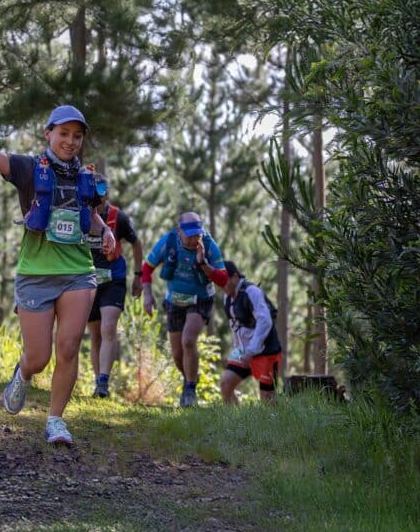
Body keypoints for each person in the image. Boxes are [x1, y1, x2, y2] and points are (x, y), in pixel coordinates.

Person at [0, 83, 116, 446]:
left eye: (77, 136)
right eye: (64, 134)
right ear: (49, 134)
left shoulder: (85, 179)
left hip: (78, 272)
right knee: (39, 357)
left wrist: (105, 229)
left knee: (70, 345)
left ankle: (56, 420)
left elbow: (88, 216)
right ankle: (23, 374)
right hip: (35, 275)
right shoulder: (28, 169)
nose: (71, 141)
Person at [141, 212, 227, 407]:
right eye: (188, 234)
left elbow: (223, 279)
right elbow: (147, 268)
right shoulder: (168, 242)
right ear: (179, 231)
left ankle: (190, 390)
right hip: (174, 300)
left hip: (200, 298)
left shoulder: (209, 245)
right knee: (177, 354)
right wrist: (147, 295)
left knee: (188, 340)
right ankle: (190, 381)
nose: (193, 239)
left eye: (196, 234)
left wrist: (203, 263)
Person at [86, 174, 143, 399]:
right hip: (88, 281)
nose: (98, 202)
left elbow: (136, 243)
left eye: (101, 197)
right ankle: (97, 381)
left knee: (108, 328)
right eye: (94, 198)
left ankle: (103, 383)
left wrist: (139, 275)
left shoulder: (118, 217)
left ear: (106, 195)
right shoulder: (81, 216)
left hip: (113, 278)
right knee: (95, 335)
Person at [219, 260, 282, 404]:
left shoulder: (252, 292)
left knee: (268, 399)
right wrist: (239, 350)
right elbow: (234, 324)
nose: (221, 285)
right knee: (226, 384)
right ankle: (233, 422)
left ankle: (275, 424)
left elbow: (265, 321)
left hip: (267, 350)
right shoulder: (227, 297)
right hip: (244, 350)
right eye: (219, 282)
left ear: (235, 277)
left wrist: (251, 350)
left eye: (224, 281)